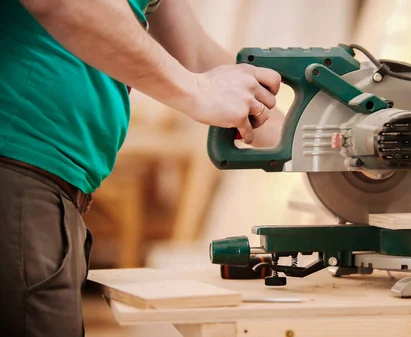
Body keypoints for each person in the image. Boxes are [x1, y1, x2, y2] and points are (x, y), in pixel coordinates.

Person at [0, 1, 283, 336]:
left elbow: (191, 51)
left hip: (50, 185)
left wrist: (319, 142)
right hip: (18, 168)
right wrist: (198, 91)